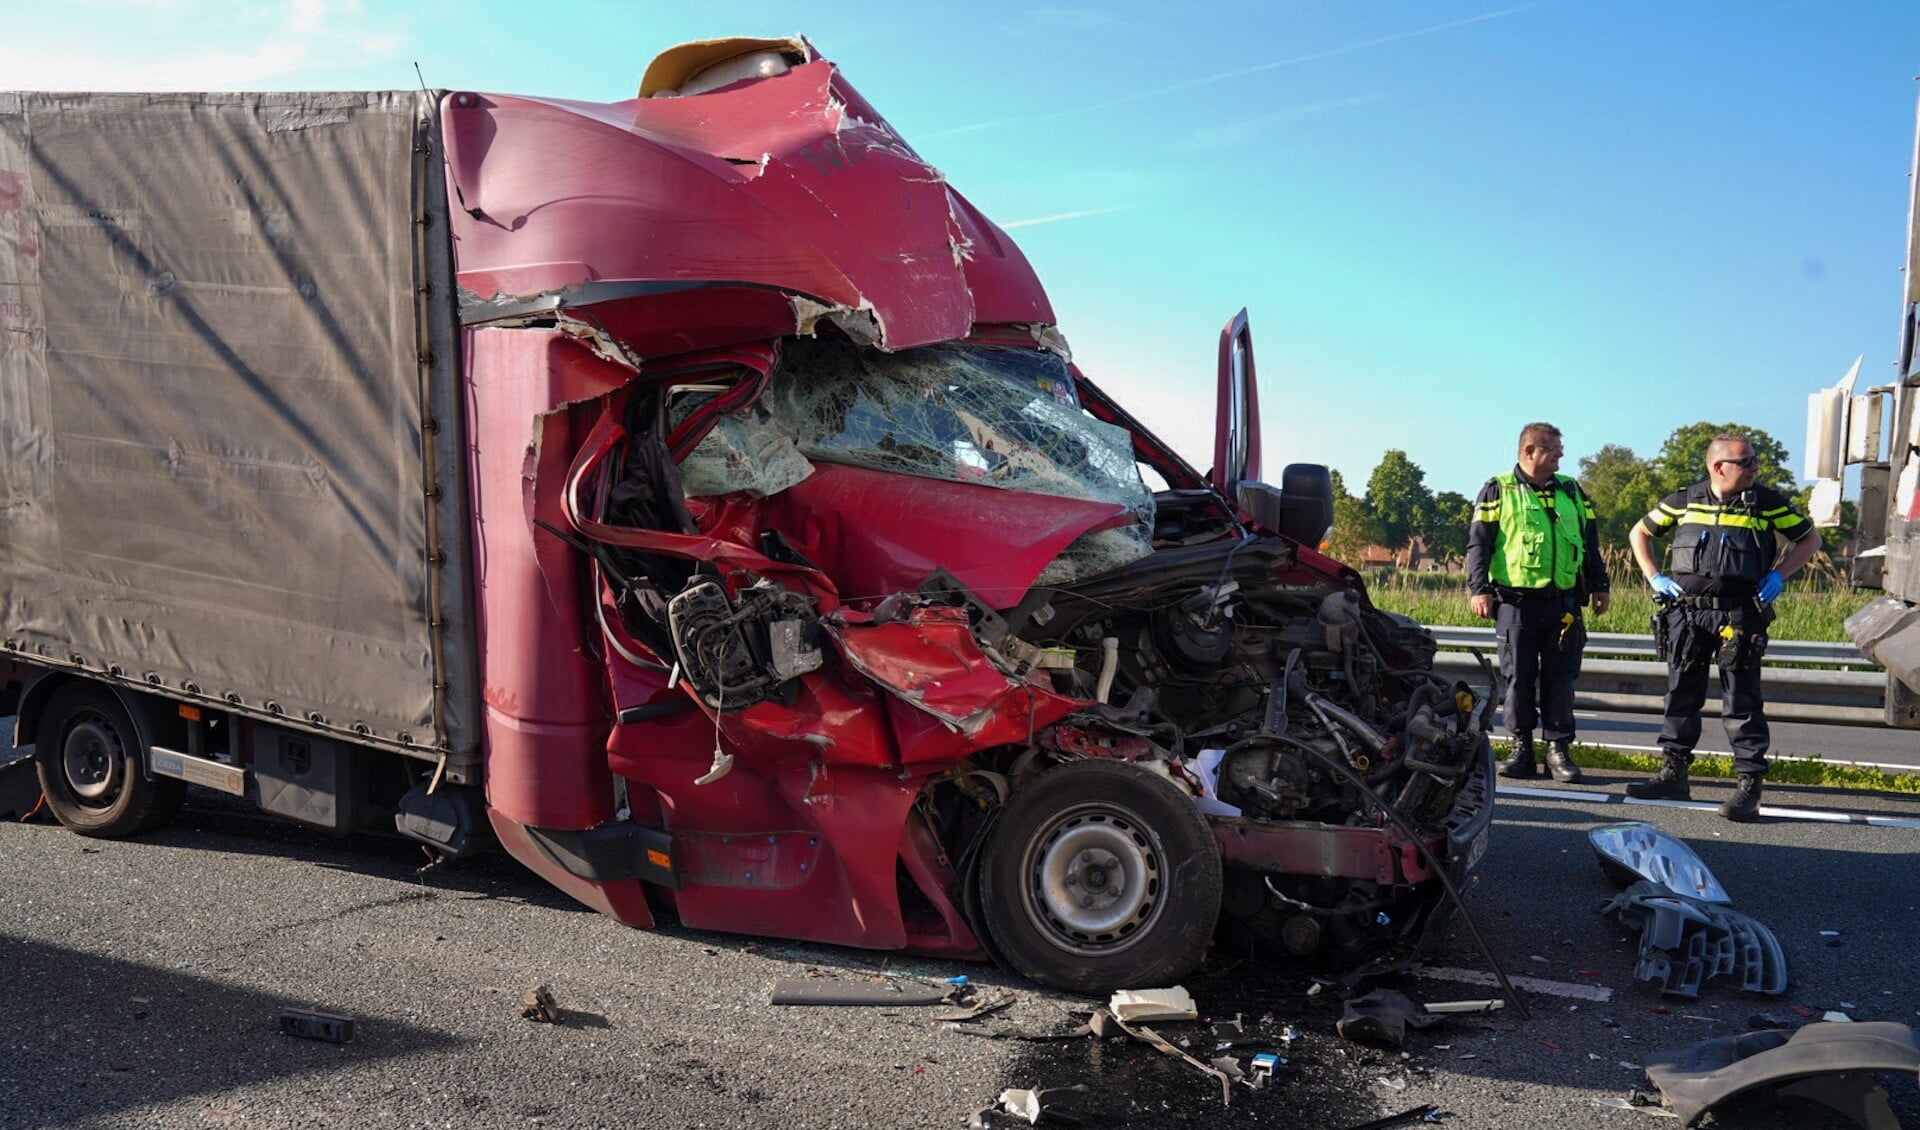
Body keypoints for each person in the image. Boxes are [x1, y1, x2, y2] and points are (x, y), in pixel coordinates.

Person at [1625, 434, 1822, 821]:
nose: (1754, 468)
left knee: (1741, 701)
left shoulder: (1765, 502)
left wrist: (1780, 575)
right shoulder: (1684, 500)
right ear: (1719, 467)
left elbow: (1809, 539)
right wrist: (1654, 577)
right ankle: (1673, 773)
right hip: (1687, 614)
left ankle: (1749, 786)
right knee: (1681, 693)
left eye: (1754, 461)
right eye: (1745, 462)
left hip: (1739, 615)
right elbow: (1640, 533)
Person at [1467, 422, 1610, 782]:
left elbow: (1591, 543)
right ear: (1530, 451)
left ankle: (1559, 751)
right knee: (1519, 679)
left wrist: (1600, 585)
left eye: (1561, 449)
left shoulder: (1573, 491)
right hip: (1517, 604)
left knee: (1561, 679)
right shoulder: (1498, 489)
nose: (1561, 455)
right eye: (1553, 449)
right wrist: (1478, 588)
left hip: (1563, 604)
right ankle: (1522, 750)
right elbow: (1479, 544)